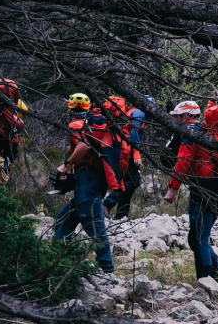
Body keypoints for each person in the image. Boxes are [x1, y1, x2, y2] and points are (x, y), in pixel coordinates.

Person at [163, 100, 218, 286]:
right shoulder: (210, 131)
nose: (177, 121)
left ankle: (206, 280)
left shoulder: (192, 133)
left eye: (178, 117)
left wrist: (173, 188)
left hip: (202, 187)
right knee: (196, 237)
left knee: (199, 238)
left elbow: (183, 160)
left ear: (186, 116)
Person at [53, 93, 115, 274]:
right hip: (93, 180)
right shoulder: (91, 126)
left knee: (94, 224)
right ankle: (59, 260)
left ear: (70, 109)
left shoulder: (76, 126)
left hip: (88, 179)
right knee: (63, 219)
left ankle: (107, 269)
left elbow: (84, 146)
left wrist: (66, 165)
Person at [102, 95, 147, 219]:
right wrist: (137, 153)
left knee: (127, 182)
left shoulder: (132, 111)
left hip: (123, 149)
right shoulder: (139, 112)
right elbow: (133, 132)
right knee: (133, 182)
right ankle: (107, 203)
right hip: (129, 151)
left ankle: (121, 215)